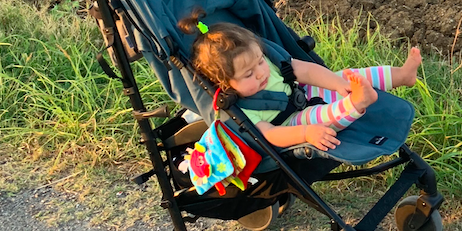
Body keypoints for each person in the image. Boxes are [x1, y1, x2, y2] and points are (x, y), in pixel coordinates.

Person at [179, 9, 421, 152]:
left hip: (301, 94)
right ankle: (357, 103)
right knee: (320, 118)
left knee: (348, 76)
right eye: (249, 75)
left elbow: (306, 71)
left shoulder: (268, 66)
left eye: (260, 62)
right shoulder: (242, 109)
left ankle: (401, 75)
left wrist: (338, 85)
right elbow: (271, 135)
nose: (261, 73)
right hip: (291, 122)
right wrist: (306, 133)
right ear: (225, 84)